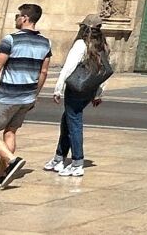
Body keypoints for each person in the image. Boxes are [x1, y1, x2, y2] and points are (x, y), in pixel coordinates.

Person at [0, 3, 52, 189]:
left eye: (18, 16)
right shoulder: (45, 43)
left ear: (25, 18)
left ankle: (12, 160)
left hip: (7, 95)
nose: (16, 19)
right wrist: (35, 95)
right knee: (10, 132)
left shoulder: (10, 39)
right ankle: (1, 174)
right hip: (27, 96)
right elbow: (43, 72)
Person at [47, 14, 109, 177]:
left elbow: (68, 67)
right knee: (67, 121)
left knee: (74, 123)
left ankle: (77, 162)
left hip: (75, 88)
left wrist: (58, 88)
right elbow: (103, 72)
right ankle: (59, 158)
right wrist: (98, 93)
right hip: (89, 89)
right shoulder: (103, 45)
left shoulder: (81, 44)